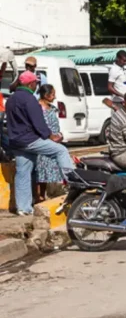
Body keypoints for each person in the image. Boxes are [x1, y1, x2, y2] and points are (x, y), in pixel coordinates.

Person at [6, 72, 74, 215]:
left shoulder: (11, 99)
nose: (37, 85)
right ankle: (75, 184)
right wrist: (50, 136)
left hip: (16, 141)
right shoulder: (30, 99)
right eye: (35, 83)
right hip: (30, 140)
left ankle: (23, 208)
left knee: (23, 172)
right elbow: (38, 122)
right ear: (31, 84)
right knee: (60, 150)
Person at [34, 84, 64, 204]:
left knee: (47, 171)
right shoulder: (37, 108)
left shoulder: (51, 108)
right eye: (52, 94)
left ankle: (43, 194)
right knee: (40, 171)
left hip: (54, 142)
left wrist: (59, 135)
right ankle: (38, 196)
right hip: (43, 142)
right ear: (46, 95)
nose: (55, 97)